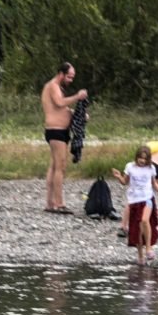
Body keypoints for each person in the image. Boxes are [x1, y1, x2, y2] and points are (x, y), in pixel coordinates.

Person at [41, 62, 88, 214]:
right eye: (69, 77)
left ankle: (50, 203)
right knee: (60, 166)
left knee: (54, 166)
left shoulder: (57, 88)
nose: (70, 80)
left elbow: (61, 108)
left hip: (59, 131)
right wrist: (77, 96)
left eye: (72, 77)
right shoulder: (53, 85)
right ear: (61, 73)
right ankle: (59, 203)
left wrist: (77, 115)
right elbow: (60, 103)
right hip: (56, 131)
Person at [113, 145, 158, 264]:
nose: (142, 161)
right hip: (134, 200)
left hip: (147, 198)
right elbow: (125, 182)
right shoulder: (130, 166)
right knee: (137, 229)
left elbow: (154, 183)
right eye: (140, 158)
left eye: (145, 159)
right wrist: (119, 177)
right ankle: (140, 256)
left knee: (145, 221)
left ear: (148, 159)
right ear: (137, 157)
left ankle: (149, 248)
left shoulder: (151, 168)